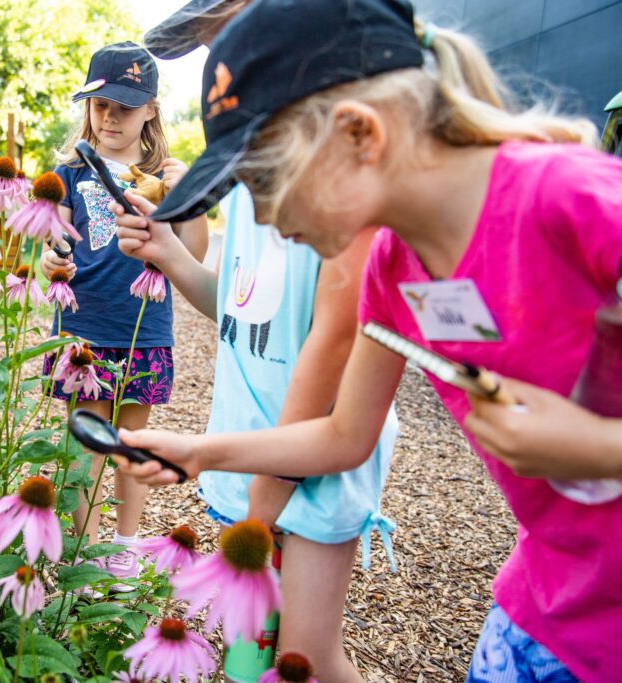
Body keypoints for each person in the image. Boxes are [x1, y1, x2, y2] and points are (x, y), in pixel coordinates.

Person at [111, 1, 622, 681]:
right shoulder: (393, 267)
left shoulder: (567, 197)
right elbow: (345, 434)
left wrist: (610, 446)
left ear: (358, 135)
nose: (259, 216)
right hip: (546, 604)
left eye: (263, 183)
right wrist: (200, 451)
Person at [114, 3, 398, 681]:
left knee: (305, 652)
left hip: (311, 460)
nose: (221, 70)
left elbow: (331, 345)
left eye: (229, 43)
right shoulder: (247, 183)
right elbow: (244, 313)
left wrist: (265, 503)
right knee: (248, 646)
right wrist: (172, 255)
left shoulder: (334, 184)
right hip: (245, 453)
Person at [40, 41, 208, 590]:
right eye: (100, 105)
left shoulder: (164, 177)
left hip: (144, 325)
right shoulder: (69, 172)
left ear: (151, 110)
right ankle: (85, 552)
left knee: (132, 446)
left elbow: (195, 253)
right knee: (88, 446)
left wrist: (191, 199)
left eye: (124, 107)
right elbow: (57, 243)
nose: (110, 117)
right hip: (86, 325)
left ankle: (126, 547)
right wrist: (50, 258)